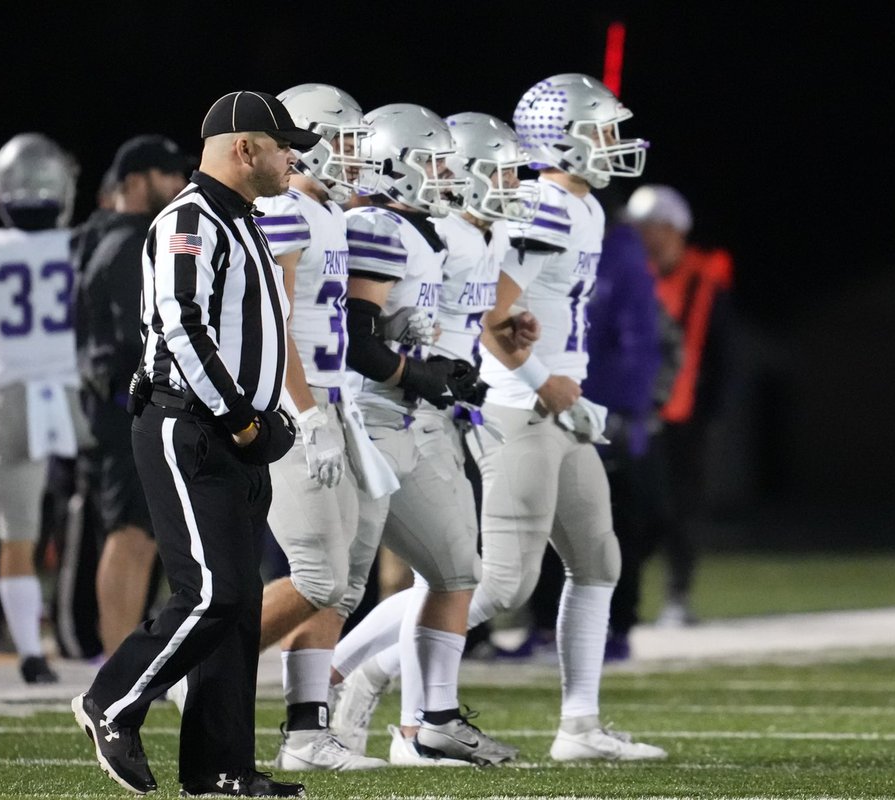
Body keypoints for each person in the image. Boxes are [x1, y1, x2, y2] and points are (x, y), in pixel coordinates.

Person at [70, 90, 318, 799]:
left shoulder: (245, 219)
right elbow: (181, 324)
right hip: (192, 424)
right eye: (281, 145)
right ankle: (111, 702)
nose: (290, 158)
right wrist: (242, 417)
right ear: (245, 148)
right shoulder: (191, 218)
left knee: (238, 611)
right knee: (212, 592)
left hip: (233, 428)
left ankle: (219, 770)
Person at [461, 72, 667, 761]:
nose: (614, 144)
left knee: (598, 560)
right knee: (501, 583)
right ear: (565, 137)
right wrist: (542, 381)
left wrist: (562, 388)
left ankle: (580, 727)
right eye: (603, 130)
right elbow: (490, 315)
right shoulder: (545, 205)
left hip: (558, 404)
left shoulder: (584, 208)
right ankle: (353, 679)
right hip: (519, 406)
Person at [329, 111, 538, 762]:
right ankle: (344, 695)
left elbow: (463, 318)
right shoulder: (418, 230)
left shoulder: (473, 234)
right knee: (338, 579)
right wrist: (425, 372)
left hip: (440, 408)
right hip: (391, 408)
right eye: (499, 173)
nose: (513, 186)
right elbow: (378, 324)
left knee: (453, 571)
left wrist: (497, 343)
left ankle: (408, 715)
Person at [250, 83, 387, 772]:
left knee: (343, 581)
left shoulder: (326, 211)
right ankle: (194, 666)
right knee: (316, 573)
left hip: (333, 404)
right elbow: (272, 330)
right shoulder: (284, 209)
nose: (360, 156)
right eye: (350, 140)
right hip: (294, 408)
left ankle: (306, 734)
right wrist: (306, 414)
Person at [0, 132, 90, 685]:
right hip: (76, 391)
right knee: (104, 513)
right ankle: (96, 628)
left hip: (14, 392)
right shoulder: (81, 244)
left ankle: (31, 652)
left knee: (17, 529)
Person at [70, 134, 190, 656]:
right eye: (168, 175)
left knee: (142, 534)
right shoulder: (130, 240)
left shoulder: (105, 235)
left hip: (112, 403)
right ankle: (118, 663)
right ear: (136, 182)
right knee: (132, 533)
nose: (181, 186)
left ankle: (126, 658)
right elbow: (134, 336)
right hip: (125, 405)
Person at [625, 183, 733, 627]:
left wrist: (713, 408)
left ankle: (677, 594)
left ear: (674, 229)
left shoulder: (705, 278)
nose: (643, 236)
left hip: (686, 415)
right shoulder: (631, 275)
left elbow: (722, 351)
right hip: (632, 411)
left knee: (683, 508)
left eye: (651, 227)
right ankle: (621, 599)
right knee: (635, 508)